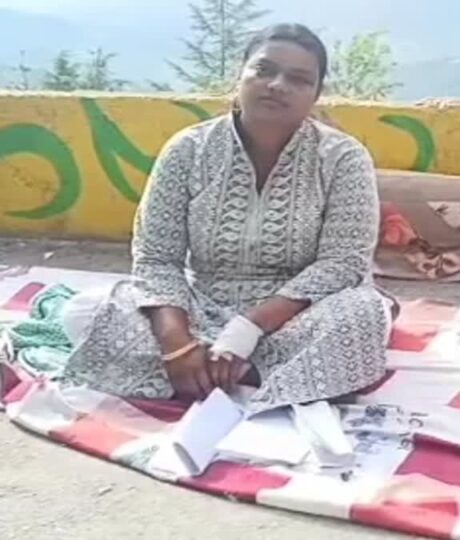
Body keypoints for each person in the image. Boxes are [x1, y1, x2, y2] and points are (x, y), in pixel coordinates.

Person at [59, 24, 394, 413]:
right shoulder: (188, 149)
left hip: (297, 315)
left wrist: (247, 329)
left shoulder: (342, 157)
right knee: (83, 311)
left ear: (316, 94)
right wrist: (177, 344)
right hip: (201, 306)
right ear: (240, 74)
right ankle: (258, 377)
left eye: (299, 79)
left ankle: (212, 375)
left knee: (362, 314)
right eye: (264, 70)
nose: (277, 85)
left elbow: (344, 262)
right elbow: (156, 257)